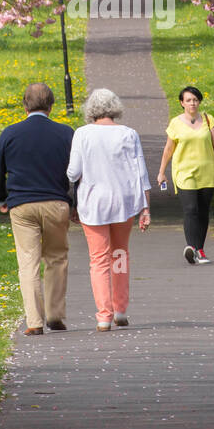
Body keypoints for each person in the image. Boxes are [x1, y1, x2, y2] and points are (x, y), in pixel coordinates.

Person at [0, 82, 75, 335]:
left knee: (28, 262)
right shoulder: (65, 133)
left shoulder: (9, 133)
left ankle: (34, 321)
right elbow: (78, 172)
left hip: (22, 205)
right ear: (51, 105)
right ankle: (55, 314)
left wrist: (1, 199)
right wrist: (75, 203)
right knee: (57, 258)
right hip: (56, 203)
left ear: (24, 105)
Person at [67, 88, 152, 331]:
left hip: (94, 202)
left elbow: (73, 172)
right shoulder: (129, 134)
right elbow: (141, 174)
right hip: (124, 202)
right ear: (115, 108)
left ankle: (104, 315)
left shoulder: (82, 134)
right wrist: (145, 209)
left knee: (98, 259)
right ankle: (121, 309)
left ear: (91, 109)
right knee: (119, 253)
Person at [156, 85, 214, 265]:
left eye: (195, 100)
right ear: (182, 103)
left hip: (208, 172)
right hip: (184, 173)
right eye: (188, 100)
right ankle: (192, 249)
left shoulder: (208, 119)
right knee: (190, 210)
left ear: (199, 102)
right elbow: (168, 149)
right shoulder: (175, 123)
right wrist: (161, 172)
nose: (192, 103)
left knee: (203, 212)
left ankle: (200, 250)